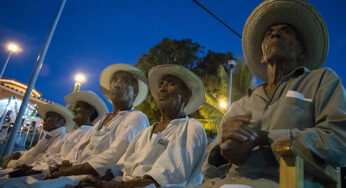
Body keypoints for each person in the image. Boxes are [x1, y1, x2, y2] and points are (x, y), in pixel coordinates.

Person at [202, 0, 346, 187]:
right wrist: (224, 151)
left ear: (302, 51)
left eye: (286, 31)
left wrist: (266, 137)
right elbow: (208, 167)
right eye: (268, 34)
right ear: (262, 55)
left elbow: (339, 142)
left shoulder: (322, 80)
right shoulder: (241, 104)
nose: (275, 34)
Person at [80, 64, 208, 187]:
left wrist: (108, 186)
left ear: (186, 95)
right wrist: (94, 181)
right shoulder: (144, 133)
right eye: (161, 84)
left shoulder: (191, 128)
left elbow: (163, 179)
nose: (162, 88)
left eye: (171, 84)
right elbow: (119, 168)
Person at [43, 64, 150, 182]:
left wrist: (67, 171)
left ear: (135, 91)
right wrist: (63, 165)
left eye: (125, 81)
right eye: (114, 80)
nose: (117, 84)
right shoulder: (102, 120)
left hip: (95, 180)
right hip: (75, 174)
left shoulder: (136, 117)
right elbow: (78, 148)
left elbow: (112, 157)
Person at [31, 90, 109, 169]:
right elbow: (53, 154)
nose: (74, 110)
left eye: (78, 107)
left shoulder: (91, 133)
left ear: (90, 111)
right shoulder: (73, 133)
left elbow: (74, 160)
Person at [2, 103, 74, 169]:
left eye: (48, 117)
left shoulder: (63, 139)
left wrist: (12, 163)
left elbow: (39, 160)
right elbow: (34, 152)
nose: (44, 120)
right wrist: (19, 154)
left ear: (58, 120)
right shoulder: (49, 135)